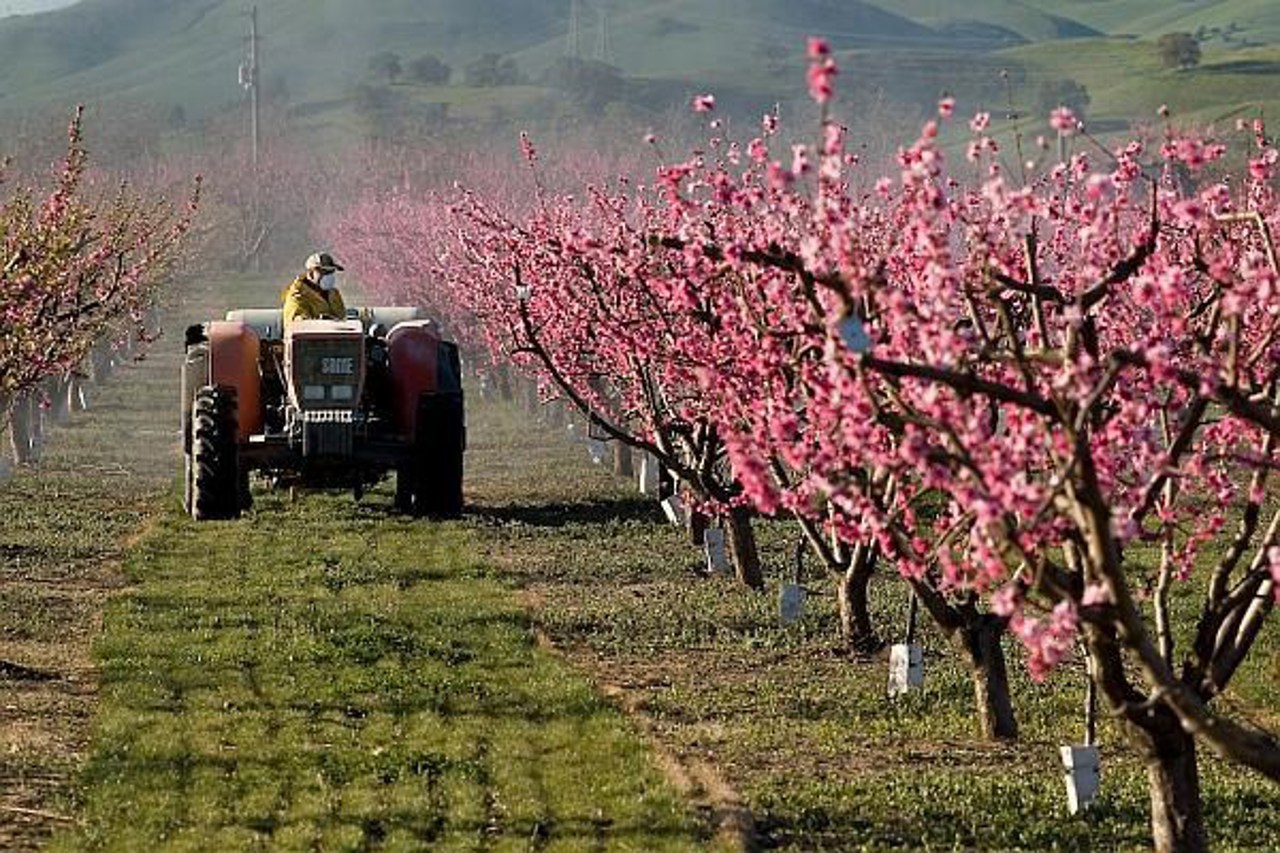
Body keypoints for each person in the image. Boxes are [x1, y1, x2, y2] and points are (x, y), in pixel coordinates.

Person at [282, 252, 346, 325]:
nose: (329, 276)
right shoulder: (297, 295)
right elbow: (298, 323)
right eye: (324, 272)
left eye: (331, 272)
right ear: (311, 273)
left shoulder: (333, 293)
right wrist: (321, 322)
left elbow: (342, 317)